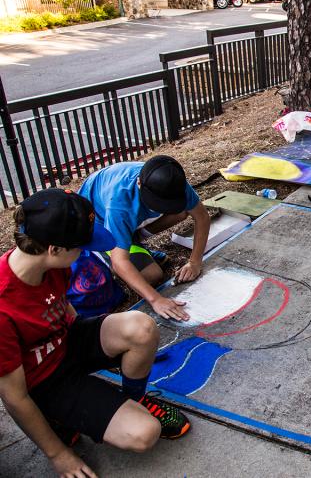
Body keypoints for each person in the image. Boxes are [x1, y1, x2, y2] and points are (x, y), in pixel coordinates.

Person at [0, 189, 190, 478]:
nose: (87, 251)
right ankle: (56, 420)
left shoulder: (49, 263)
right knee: (143, 433)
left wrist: (108, 349)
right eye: (82, 245)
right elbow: (14, 398)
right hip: (45, 382)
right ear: (54, 249)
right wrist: (59, 455)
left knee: (141, 327)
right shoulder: (3, 306)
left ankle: (134, 398)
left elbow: (63, 308)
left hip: (65, 342)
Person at [78, 155, 211, 322]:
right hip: (98, 225)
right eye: (157, 202)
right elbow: (121, 262)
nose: (162, 208)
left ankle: (130, 241)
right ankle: (106, 255)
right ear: (139, 184)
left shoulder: (173, 182)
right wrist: (156, 299)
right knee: (151, 275)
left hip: (122, 218)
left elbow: (202, 217)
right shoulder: (120, 202)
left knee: (181, 211)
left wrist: (195, 262)